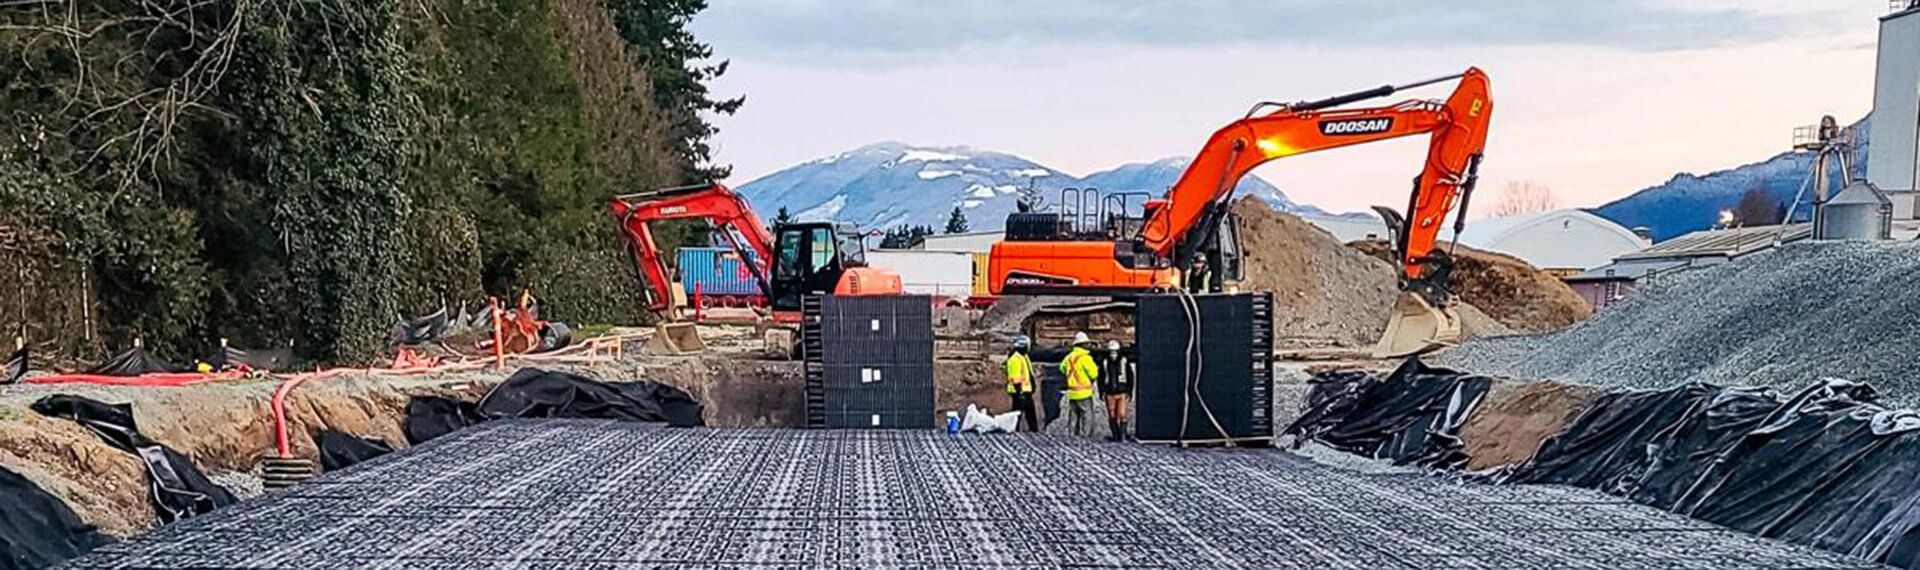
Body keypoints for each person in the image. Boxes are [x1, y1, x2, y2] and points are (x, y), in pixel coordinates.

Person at [1060, 332, 1100, 437]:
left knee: (1073, 415)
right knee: (1087, 415)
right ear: (1082, 345)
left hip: (1072, 392)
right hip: (1084, 392)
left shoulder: (1069, 357)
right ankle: (1086, 436)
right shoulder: (1085, 358)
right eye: (1086, 343)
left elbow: (1062, 368)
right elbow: (1094, 373)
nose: (1088, 346)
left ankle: (1072, 435)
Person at [1098, 340, 1134, 441]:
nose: (1113, 355)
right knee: (1112, 414)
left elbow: (1130, 377)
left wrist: (1129, 390)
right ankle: (1116, 435)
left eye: (1115, 352)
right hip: (1110, 392)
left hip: (1121, 391)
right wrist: (1101, 391)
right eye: (1111, 352)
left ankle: (1122, 435)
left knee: (1122, 414)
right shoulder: (1104, 363)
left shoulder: (1124, 361)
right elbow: (1100, 378)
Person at [1004, 335, 1040, 432]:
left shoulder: (1023, 357)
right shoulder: (1015, 359)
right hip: (1019, 391)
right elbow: (1015, 377)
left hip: (1026, 390)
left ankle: (1034, 431)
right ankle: (1014, 431)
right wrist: (1019, 390)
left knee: (1030, 414)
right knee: (1017, 415)